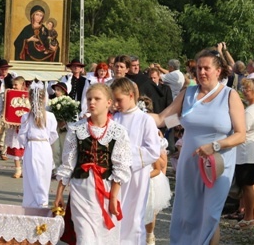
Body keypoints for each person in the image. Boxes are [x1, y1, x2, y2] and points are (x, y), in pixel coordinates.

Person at [150, 49, 246, 245]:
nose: (201, 72)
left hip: (218, 165)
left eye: (206, 68)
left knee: (210, 214)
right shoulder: (188, 94)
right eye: (198, 68)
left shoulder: (229, 95)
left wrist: (216, 145)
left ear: (218, 71)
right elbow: (163, 119)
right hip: (190, 163)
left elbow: (240, 135)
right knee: (190, 213)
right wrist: (130, 114)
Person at [54, 84, 133, 244]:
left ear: (108, 103)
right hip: (80, 190)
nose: (92, 102)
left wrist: (113, 198)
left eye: (97, 99)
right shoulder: (76, 129)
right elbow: (68, 164)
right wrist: (59, 194)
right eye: (89, 98)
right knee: (84, 238)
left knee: (104, 238)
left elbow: (121, 167)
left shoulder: (118, 131)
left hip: (105, 190)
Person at [111, 77, 161, 244]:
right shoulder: (114, 119)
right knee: (114, 212)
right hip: (114, 175)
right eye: (114, 100)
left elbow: (153, 151)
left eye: (119, 100)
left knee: (133, 216)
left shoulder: (145, 120)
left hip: (136, 175)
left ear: (131, 95)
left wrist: (124, 157)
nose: (116, 105)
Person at [233, 78, 254, 230]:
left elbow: (240, 132)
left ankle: (249, 217)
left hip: (246, 153)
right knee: (253, 186)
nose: (245, 92)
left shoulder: (250, 112)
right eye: (244, 89)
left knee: (247, 187)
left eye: (248, 89)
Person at [19, 83, 58, 208]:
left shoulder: (26, 116)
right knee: (43, 176)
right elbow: (53, 135)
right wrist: (45, 142)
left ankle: (34, 204)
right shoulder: (50, 116)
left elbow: (21, 136)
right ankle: (42, 202)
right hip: (44, 147)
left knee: (32, 177)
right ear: (44, 99)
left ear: (30, 99)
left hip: (32, 147)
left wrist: (29, 143)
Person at [144, 131, 172, 245]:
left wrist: (151, 152)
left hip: (152, 177)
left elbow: (162, 164)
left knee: (150, 211)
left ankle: (149, 236)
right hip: (133, 177)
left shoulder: (156, 137)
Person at [4, 76, 28, 178]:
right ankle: (18, 170)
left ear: (22, 85)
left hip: (24, 126)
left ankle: (26, 170)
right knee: (15, 149)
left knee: (25, 150)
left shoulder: (28, 96)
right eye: (13, 84)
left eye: (16, 85)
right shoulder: (10, 94)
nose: (14, 86)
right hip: (14, 127)